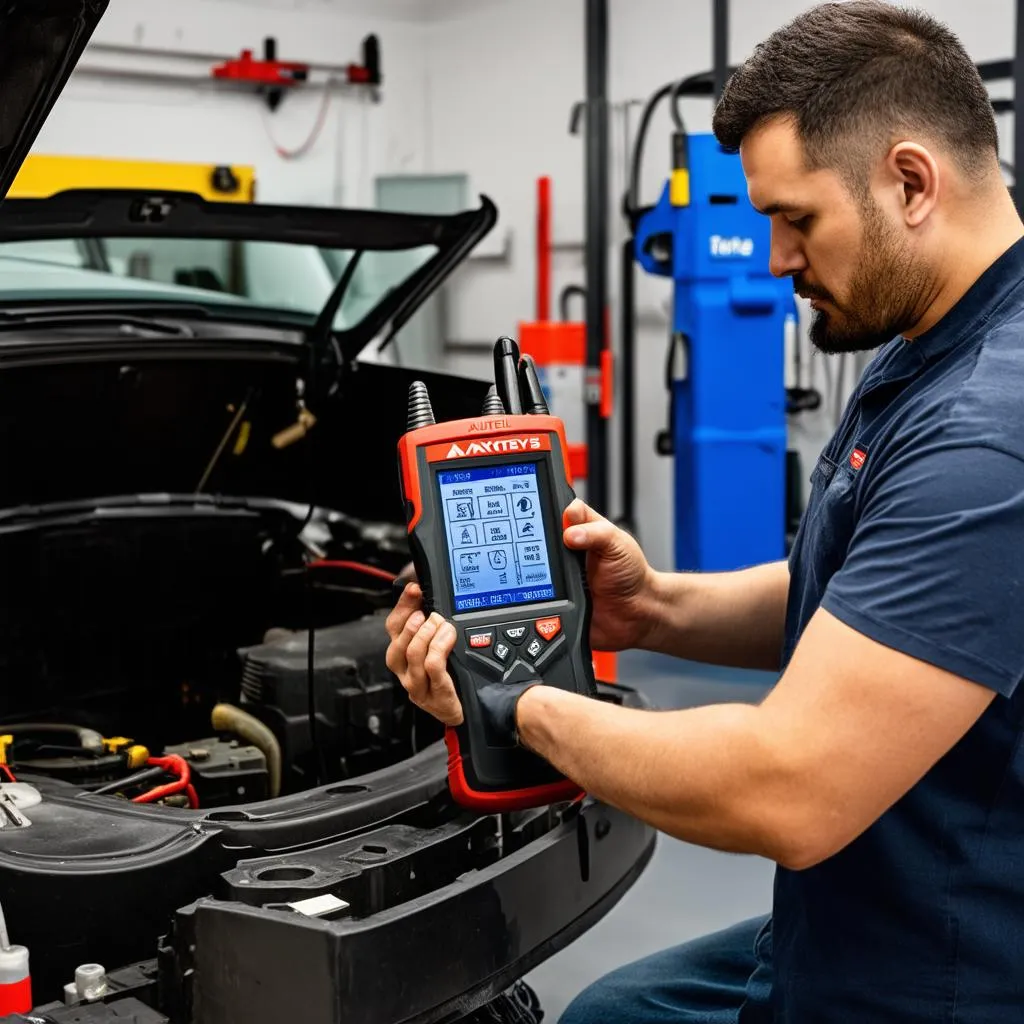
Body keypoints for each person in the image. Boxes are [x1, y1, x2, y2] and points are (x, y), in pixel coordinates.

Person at [385, 2, 1024, 1019]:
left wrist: (514, 701)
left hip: (935, 971)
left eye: (795, 219)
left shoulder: (989, 429)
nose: (771, 260)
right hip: (847, 907)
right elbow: (875, 593)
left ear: (910, 181)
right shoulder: (929, 334)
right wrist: (657, 607)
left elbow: (788, 787)